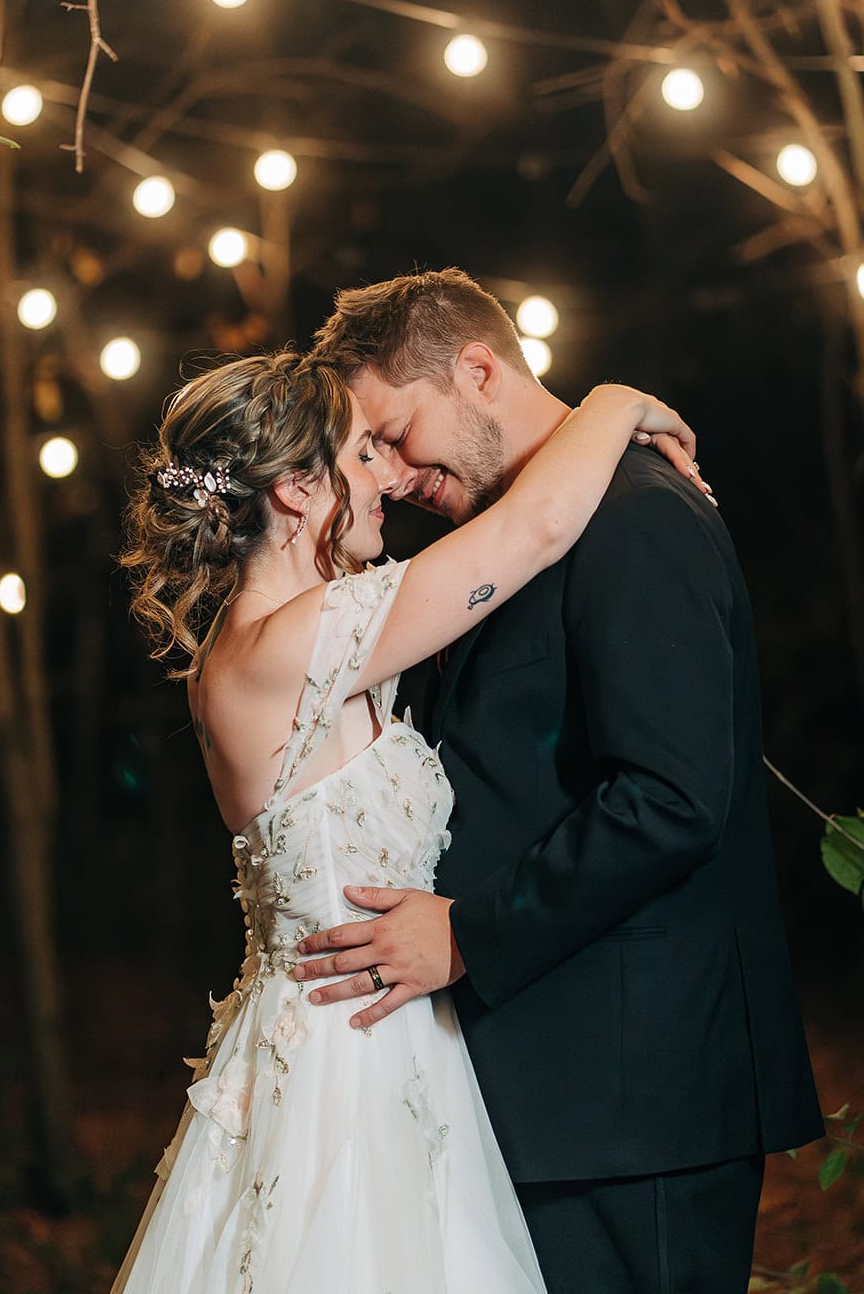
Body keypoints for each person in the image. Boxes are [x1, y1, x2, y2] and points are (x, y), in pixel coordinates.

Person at [112, 348, 696, 1294]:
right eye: (361, 458)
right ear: (297, 489)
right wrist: (617, 399)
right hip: (347, 1075)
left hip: (391, 1041)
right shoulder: (297, 641)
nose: (390, 477)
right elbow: (538, 526)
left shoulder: (274, 642)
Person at [301, 267, 825, 1294]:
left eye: (395, 432)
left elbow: (670, 797)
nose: (394, 473)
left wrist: (465, 934)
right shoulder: (506, 536)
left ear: (478, 370)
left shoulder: (636, 517)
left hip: (641, 1097)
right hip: (551, 1088)